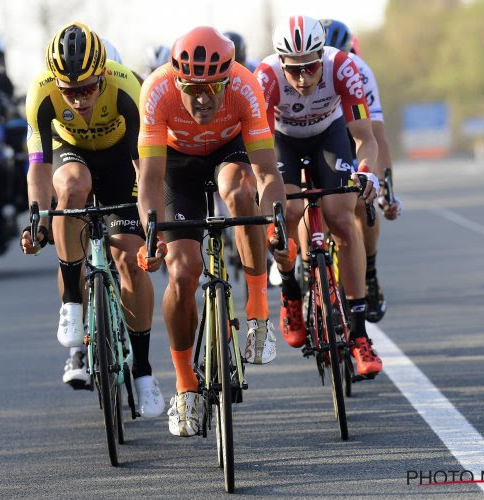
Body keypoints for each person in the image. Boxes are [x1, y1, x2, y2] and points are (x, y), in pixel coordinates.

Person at [136, 26, 291, 437]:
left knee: (241, 193)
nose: (203, 99)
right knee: (183, 271)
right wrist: (151, 236)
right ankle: (185, 384)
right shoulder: (155, 90)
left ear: (227, 78)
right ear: (176, 80)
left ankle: (258, 313)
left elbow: (267, 173)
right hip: (177, 166)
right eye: (192, 88)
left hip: (228, 151)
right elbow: (150, 180)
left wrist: (277, 222)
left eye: (213, 87)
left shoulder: (245, 85)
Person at [20, 22, 164, 418]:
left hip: (121, 162)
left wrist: (152, 225)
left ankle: (144, 371)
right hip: (73, 155)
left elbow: (146, 170)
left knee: (131, 260)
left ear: (102, 75)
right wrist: (38, 219)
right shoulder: (40, 93)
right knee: (70, 187)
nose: (79, 100)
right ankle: (71, 304)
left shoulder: (129, 89)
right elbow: (37, 168)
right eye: (70, 92)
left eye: (87, 89)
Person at [254, 15, 382, 377]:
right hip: (282, 141)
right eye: (293, 70)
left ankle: (359, 335)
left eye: (310, 68)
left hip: (330, 134)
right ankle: (291, 291)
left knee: (342, 217)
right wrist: (265, 195)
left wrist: (366, 172)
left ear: (320, 59)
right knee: (288, 212)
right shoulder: (265, 78)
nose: (302, 78)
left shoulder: (342, 67)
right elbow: (258, 150)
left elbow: (365, 138)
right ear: (280, 62)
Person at [321, 18, 402, 322]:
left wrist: (385, 191)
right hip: (310, 136)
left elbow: (376, 137)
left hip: (349, 134)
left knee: (361, 201)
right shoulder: (299, 71)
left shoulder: (358, 71)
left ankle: (369, 272)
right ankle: (308, 273)